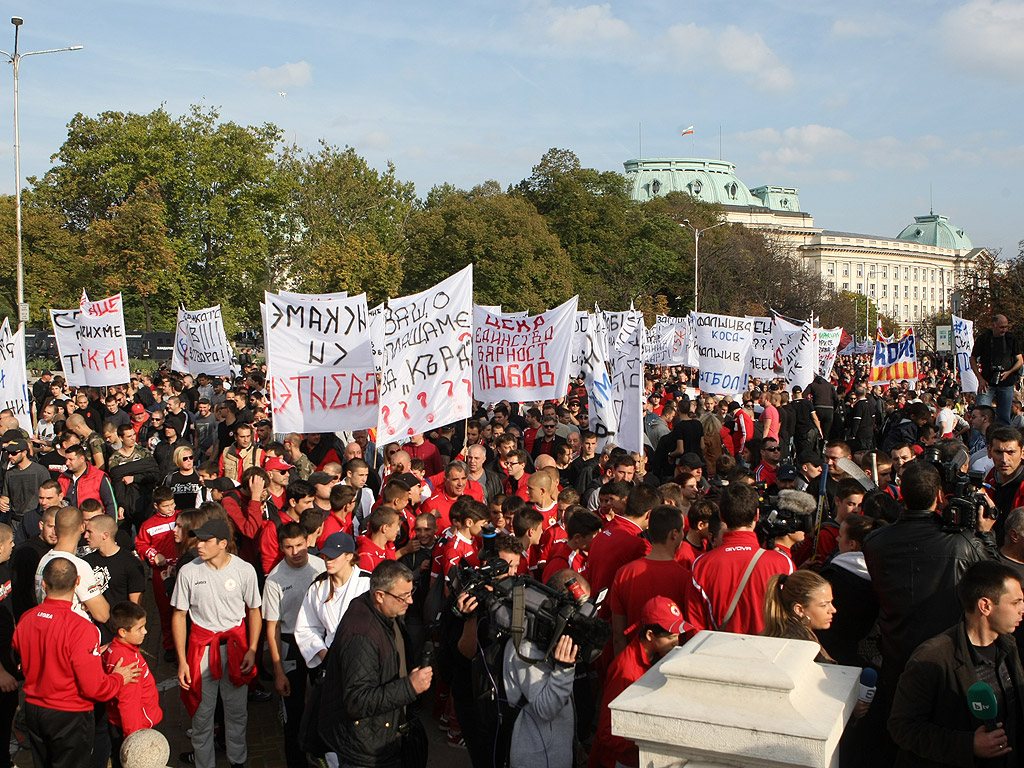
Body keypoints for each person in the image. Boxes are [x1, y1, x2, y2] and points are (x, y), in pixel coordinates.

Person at [889, 560, 1024, 765]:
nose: (1022, 609)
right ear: (985, 606)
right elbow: (902, 727)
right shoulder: (932, 658)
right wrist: (968, 745)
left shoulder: (1010, 646)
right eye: (1015, 602)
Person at [13, 557, 140, 768]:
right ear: (78, 581)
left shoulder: (27, 618)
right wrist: (118, 678)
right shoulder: (82, 628)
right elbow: (95, 688)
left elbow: (23, 654)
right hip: (69, 715)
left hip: (34, 709)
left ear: (44, 584)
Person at [317, 560, 432, 767]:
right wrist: (409, 687)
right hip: (365, 750)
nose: (411, 601)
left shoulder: (381, 612)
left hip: (380, 735)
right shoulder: (362, 636)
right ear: (379, 595)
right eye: (403, 596)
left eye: (411, 592)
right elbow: (357, 700)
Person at [172, 518, 262, 768]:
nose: (198, 545)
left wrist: (252, 649)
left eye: (205, 540)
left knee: (237, 713)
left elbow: (254, 610)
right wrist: (182, 661)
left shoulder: (244, 570)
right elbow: (179, 616)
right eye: (198, 539)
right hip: (201, 653)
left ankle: (237, 762)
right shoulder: (189, 571)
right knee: (201, 717)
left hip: (235, 651)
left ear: (223, 544)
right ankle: (204, 763)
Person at [589, 596, 686, 768]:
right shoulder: (626, 670)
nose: (676, 643)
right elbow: (607, 731)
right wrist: (649, 739)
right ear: (650, 635)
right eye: (671, 637)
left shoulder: (658, 657)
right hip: (620, 761)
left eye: (678, 636)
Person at [501, 572, 585, 768]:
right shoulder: (526, 647)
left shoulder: (551, 640)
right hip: (536, 759)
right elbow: (545, 708)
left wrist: (573, 742)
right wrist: (564, 669)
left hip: (556, 753)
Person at [686, 483, 793, 634]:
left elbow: (695, 628)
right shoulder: (782, 563)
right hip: (770, 652)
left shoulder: (702, 565)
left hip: (719, 653)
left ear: (722, 516)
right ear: (757, 515)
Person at [263, 521, 326, 768]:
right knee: (293, 709)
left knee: (324, 702)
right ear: (281, 547)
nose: (296, 552)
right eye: (288, 547)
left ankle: (323, 755)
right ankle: (296, 761)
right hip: (290, 643)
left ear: (307, 542)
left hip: (319, 639)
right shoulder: (274, 580)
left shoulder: (321, 567)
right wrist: (278, 672)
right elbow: (273, 627)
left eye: (300, 545)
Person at [102, 602, 162, 768]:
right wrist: (134, 741)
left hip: (119, 725)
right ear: (122, 632)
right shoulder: (128, 663)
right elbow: (128, 704)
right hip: (134, 729)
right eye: (140, 628)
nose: (145, 632)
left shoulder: (113, 649)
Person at [35, 506, 110, 624]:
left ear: (56, 529)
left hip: (50, 627)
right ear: (82, 527)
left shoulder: (44, 559)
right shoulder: (78, 566)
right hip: (74, 634)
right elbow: (103, 614)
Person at [762, 570, 838, 663]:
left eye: (831, 602)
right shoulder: (797, 647)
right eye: (824, 605)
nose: (833, 610)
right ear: (799, 610)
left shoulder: (794, 636)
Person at [971, 314, 1023, 426]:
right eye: (1001, 327)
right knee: (980, 415)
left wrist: (1009, 372)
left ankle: (1002, 441)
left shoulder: (1011, 339)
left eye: (1006, 327)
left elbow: (1020, 360)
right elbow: (972, 359)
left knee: (1004, 417)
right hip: (986, 382)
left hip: (1007, 382)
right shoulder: (984, 338)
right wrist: (979, 378)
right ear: (994, 326)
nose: (1004, 330)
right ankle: (978, 442)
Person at [0, 439, 50, 529]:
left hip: (36, 520)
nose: (10, 456)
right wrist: (2, 502)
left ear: (24, 453)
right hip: (15, 521)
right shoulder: (9, 473)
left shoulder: (40, 471)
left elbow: (49, 494)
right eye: (8, 453)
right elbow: (5, 496)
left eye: (14, 453)